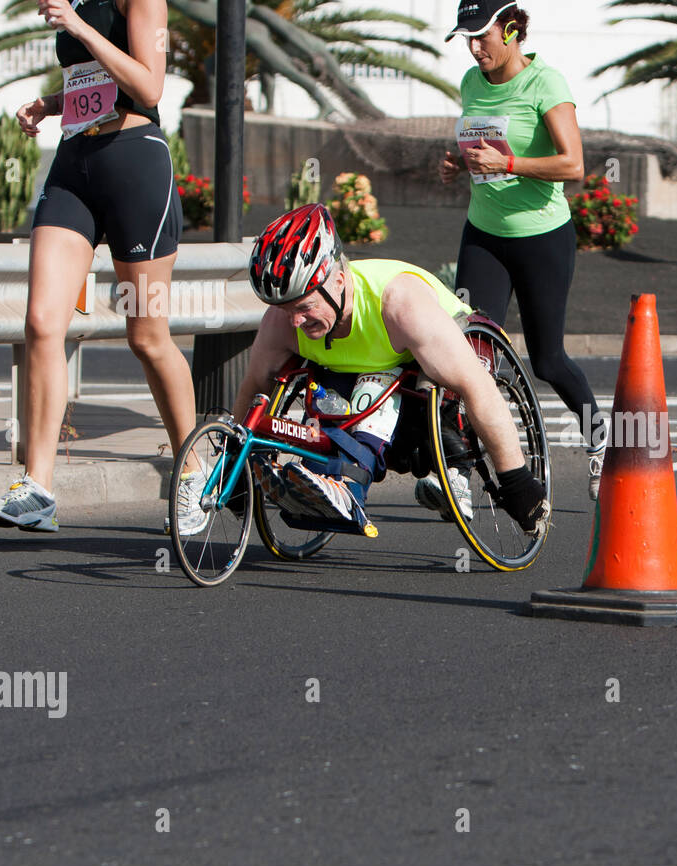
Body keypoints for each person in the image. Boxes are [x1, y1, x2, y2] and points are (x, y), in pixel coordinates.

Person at [0, 0, 201, 533]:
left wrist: (78, 27)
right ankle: (38, 487)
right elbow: (93, 79)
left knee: (146, 336)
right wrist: (52, 104)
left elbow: (148, 88)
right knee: (40, 322)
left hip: (135, 162)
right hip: (73, 164)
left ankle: (193, 470)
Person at [236, 204, 549, 537]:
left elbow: (478, 387)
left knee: (379, 383)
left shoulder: (400, 305)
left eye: (304, 307)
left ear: (339, 281)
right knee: (325, 397)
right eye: (284, 310)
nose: (295, 321)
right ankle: (320, 480)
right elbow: (255, 386)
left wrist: (515, 480)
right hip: (348, 374)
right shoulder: (282, 323)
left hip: (429, 363)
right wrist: (234, 466)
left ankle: (353, 484)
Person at [439, 1, 607, 501]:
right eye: (466, 38)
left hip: (541, 238)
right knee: (469, 356)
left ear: (511, 30)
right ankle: (460, 472)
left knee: (547, 359)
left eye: (482, 36)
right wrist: (457, 166)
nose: (474, 48)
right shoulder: (472, 83)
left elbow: (573, 163)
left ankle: (601, 443)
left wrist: (510, 162)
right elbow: (480, 152)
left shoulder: (546, 84)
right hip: (483, 235)